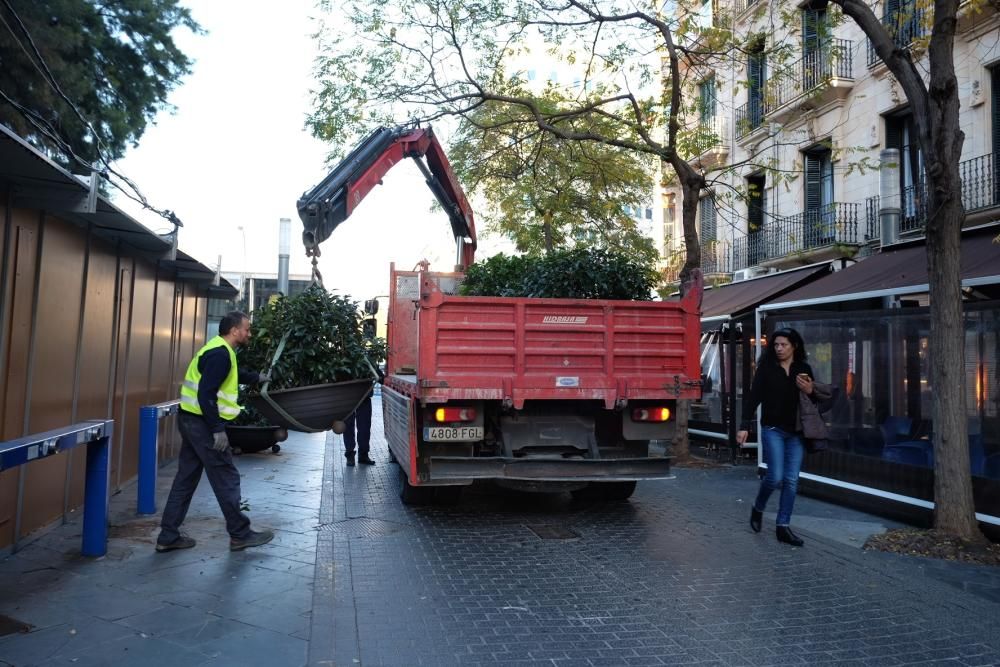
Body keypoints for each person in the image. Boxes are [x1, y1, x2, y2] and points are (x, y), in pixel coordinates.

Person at [156, 311, 275, 553]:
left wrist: (257, 377)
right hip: (202, 424)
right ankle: (240, 534)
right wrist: (218, 430)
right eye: (247, 329)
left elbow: (230, 376)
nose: (249, 333)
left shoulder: (219, 350)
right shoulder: (220, 354)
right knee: (225, 476)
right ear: (234, 330)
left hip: (191, 420)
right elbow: (206, 394)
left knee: (186, 479)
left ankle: (168, 536)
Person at [736, 328, 815, 547]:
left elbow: (813, 401)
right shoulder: (766, 369)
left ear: (794, 346)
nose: (779, 348)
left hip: (796, 432)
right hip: (773, 429)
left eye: (784, 345)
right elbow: (753, 398)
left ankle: (783, 527)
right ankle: (758, 507)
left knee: (791, 480)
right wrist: (744, 426)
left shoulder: (803, 368)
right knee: (775, 476)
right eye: (776, 345)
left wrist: (810, 390)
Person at [343, 395, 375, 466]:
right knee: (348, 425)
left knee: (364, 426)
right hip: (347, 393)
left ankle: (363, 455)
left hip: (365, 393)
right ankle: (350, 454)